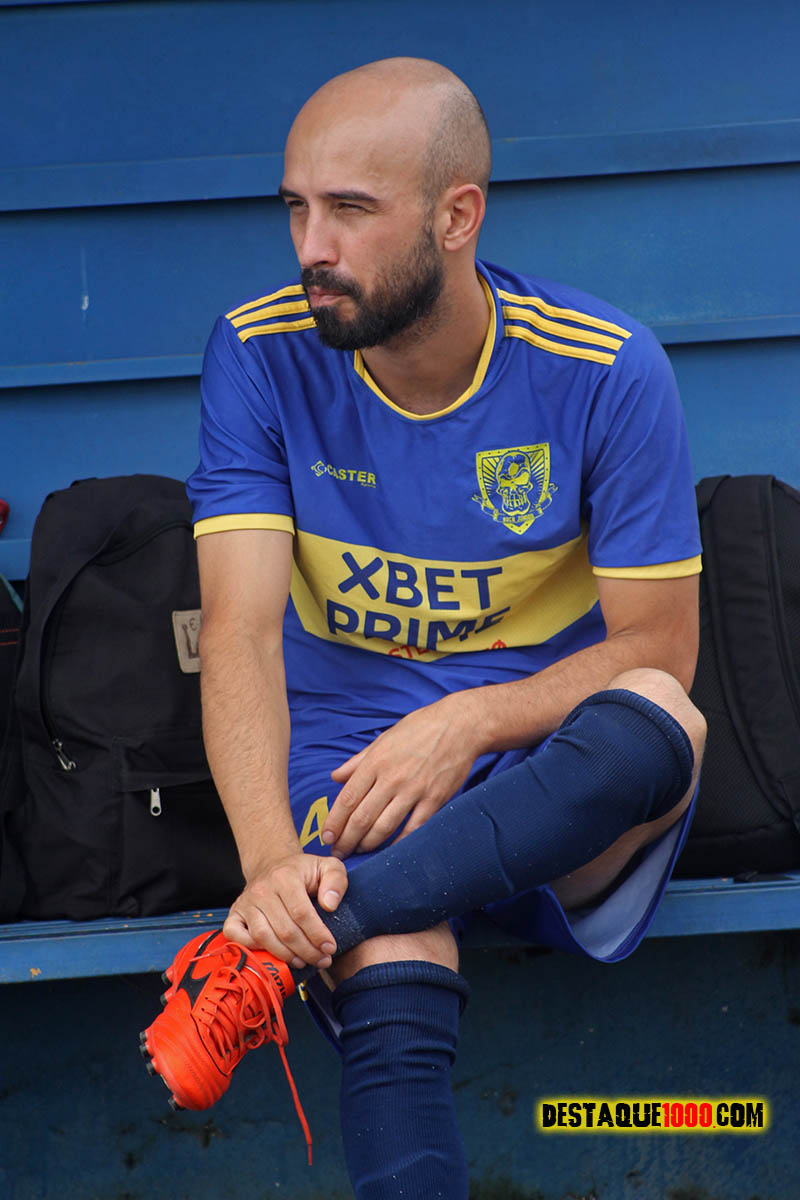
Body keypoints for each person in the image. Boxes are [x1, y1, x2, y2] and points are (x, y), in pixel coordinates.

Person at [140, 57, 706, 1198]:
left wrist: (470, 721)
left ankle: (274, 949)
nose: (311, 246)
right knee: (386, 939)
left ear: (457, 216)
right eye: (296, 208)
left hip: (542, 769)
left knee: (663, 716)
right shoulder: (256, 352)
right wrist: (273, 870)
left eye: (350, 209)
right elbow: (240, 632)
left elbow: (660, 647)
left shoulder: (603, 366)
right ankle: (331, 916)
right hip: (352, 767)